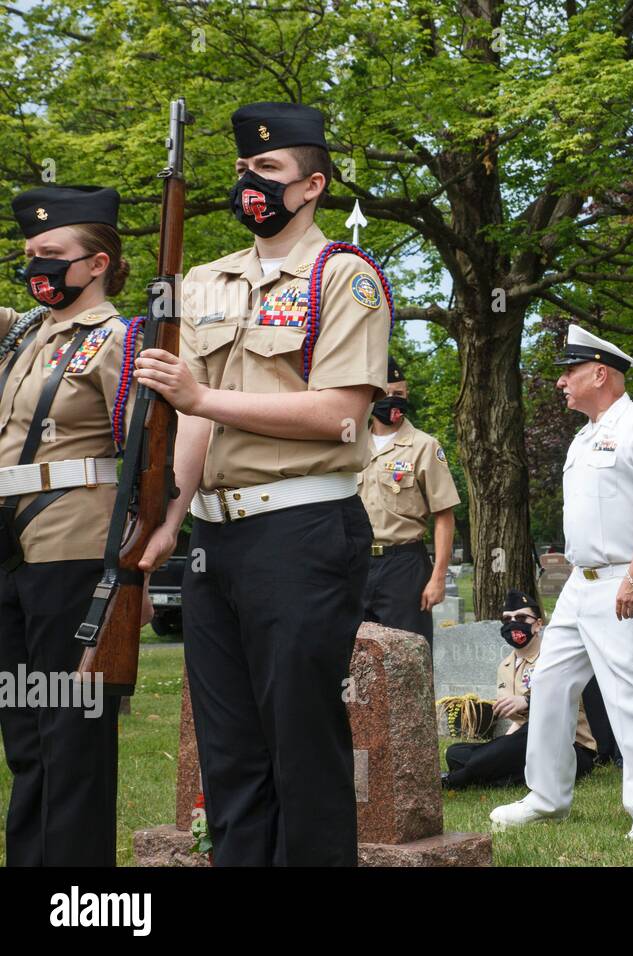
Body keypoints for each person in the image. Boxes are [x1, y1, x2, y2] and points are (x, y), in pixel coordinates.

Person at [135, 102, 392, 865]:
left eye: (269, 171)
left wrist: (199, 396)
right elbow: (192, 426)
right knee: (230, 755)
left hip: (302, 532)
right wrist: (166, 519)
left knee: (301, 746)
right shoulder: (209, 281)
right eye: (245, 170)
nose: (251, 183)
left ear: (311, 185)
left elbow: (340, 414)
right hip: (217, 538)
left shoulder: (343, 277)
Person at [490, 325, 633, 839]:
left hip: (623, 578)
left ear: (600, 373)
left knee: (631, 693)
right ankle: (547, 796)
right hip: (580, 582)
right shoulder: (586, 433)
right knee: (548, 683)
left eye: (569, 372)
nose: (561, 382)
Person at [0, 185, 135, 866]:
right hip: (12, 551)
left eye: (52, 255)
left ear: (98, 263)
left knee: (70, 733)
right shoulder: (24, 333)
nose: (36, 268)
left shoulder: (119, 340)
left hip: (75, 548)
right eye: (28, 256)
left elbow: (146, 455)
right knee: (24, 734)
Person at [443, 590, 598, 788]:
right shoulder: (505, 667)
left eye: (522, 617)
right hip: (526, 740)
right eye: (507, 619)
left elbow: (561, 702)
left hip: (569, 745)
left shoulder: (555, 658)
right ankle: (496, 774)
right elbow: (518, 723)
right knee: (456, 752)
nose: (513, 623)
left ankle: (459, 779)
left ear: (538, 624)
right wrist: (500, 749)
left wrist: (527, 701)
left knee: (531, 735)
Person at [358, 356, 459, 645]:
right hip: (356, 563)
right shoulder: (350, 446)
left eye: (399, 394)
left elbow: (444, 514)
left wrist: (438, 576)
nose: (392, 401)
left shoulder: (424, 446)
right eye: (386, 393)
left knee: (408, 653)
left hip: (403, 565)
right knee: (354, 657)